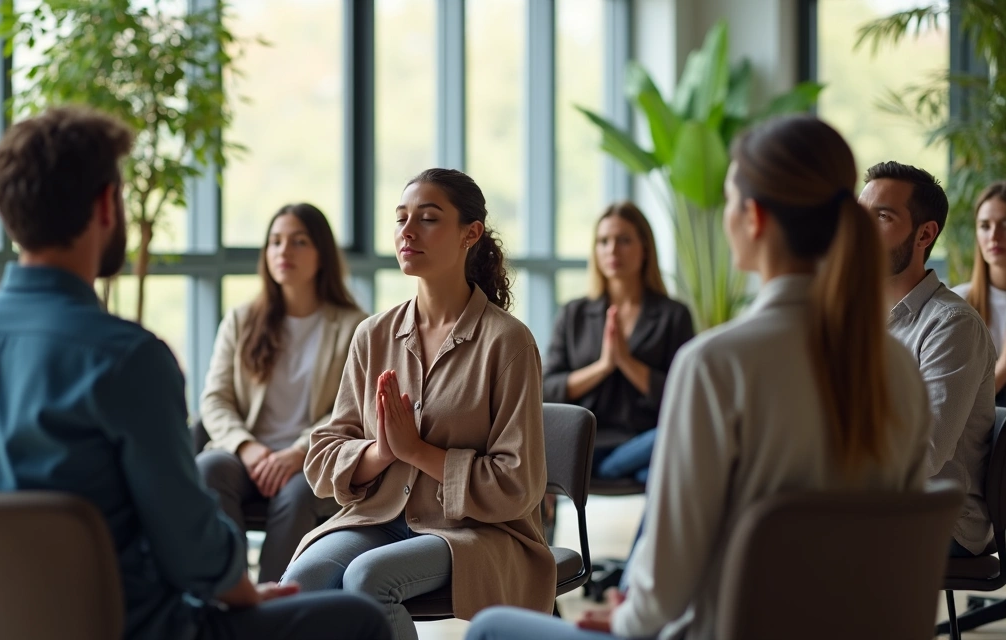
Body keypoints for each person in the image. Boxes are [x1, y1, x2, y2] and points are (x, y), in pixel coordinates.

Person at [0, 107, 389, 640]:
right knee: (362, 619)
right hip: (129, 625)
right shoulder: (128, 358)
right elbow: (190, 545)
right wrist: (237, 586)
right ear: (105, 204)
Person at [465, 115, 934, 640]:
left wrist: (626, 615)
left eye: (730, 201)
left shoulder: (718, 364)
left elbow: (665, 587)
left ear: (753, 217)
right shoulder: (897, 369)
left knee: (490, 628)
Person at [281, 168, 554, 640]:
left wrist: (418, 453)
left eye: (427, 219)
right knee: (297, 586)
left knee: (368, 580)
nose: (407, 231)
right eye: (401, 218)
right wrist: (383, 452)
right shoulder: (372, 335)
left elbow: (519, 485)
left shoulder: (507, 343)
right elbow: (324, 453)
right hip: (379, 519)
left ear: (471, 234)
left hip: (475, 532)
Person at [197, 202, 367, 583]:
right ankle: (230, 593)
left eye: (298, 241)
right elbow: (215, 399)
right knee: (207, 469)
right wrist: (247, 447)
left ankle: (271, 608)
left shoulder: (353, 326)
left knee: (298, 494)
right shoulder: (242, 320)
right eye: (275, 242)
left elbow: (352, 408)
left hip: (312, 458)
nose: (283, 252)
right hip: (248, 456)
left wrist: (297, 451)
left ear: (321, 254)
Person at [861, 161, 995, 558]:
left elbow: (923, 455)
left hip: (941, 518)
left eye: (882, 216)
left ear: (925, 233)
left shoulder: (952, 324)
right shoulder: (859, 317)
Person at [543, 201, 693, 484]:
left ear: (645, 248)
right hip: (584, 446)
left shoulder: (673, 315)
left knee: (673, 442)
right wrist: (603, 366)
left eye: (624, 240)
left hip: (644, 442)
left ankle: (615, 472)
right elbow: (547, 389)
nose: (612, 250)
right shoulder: (573, 313)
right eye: (603, 241)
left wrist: (627, 362)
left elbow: (683, 394)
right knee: (663, 471)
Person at [953, 182, 1006, 406]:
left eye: (1005, 224)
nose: (995, 235)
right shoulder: (957, 303)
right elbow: (960, 403)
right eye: (985, 226)